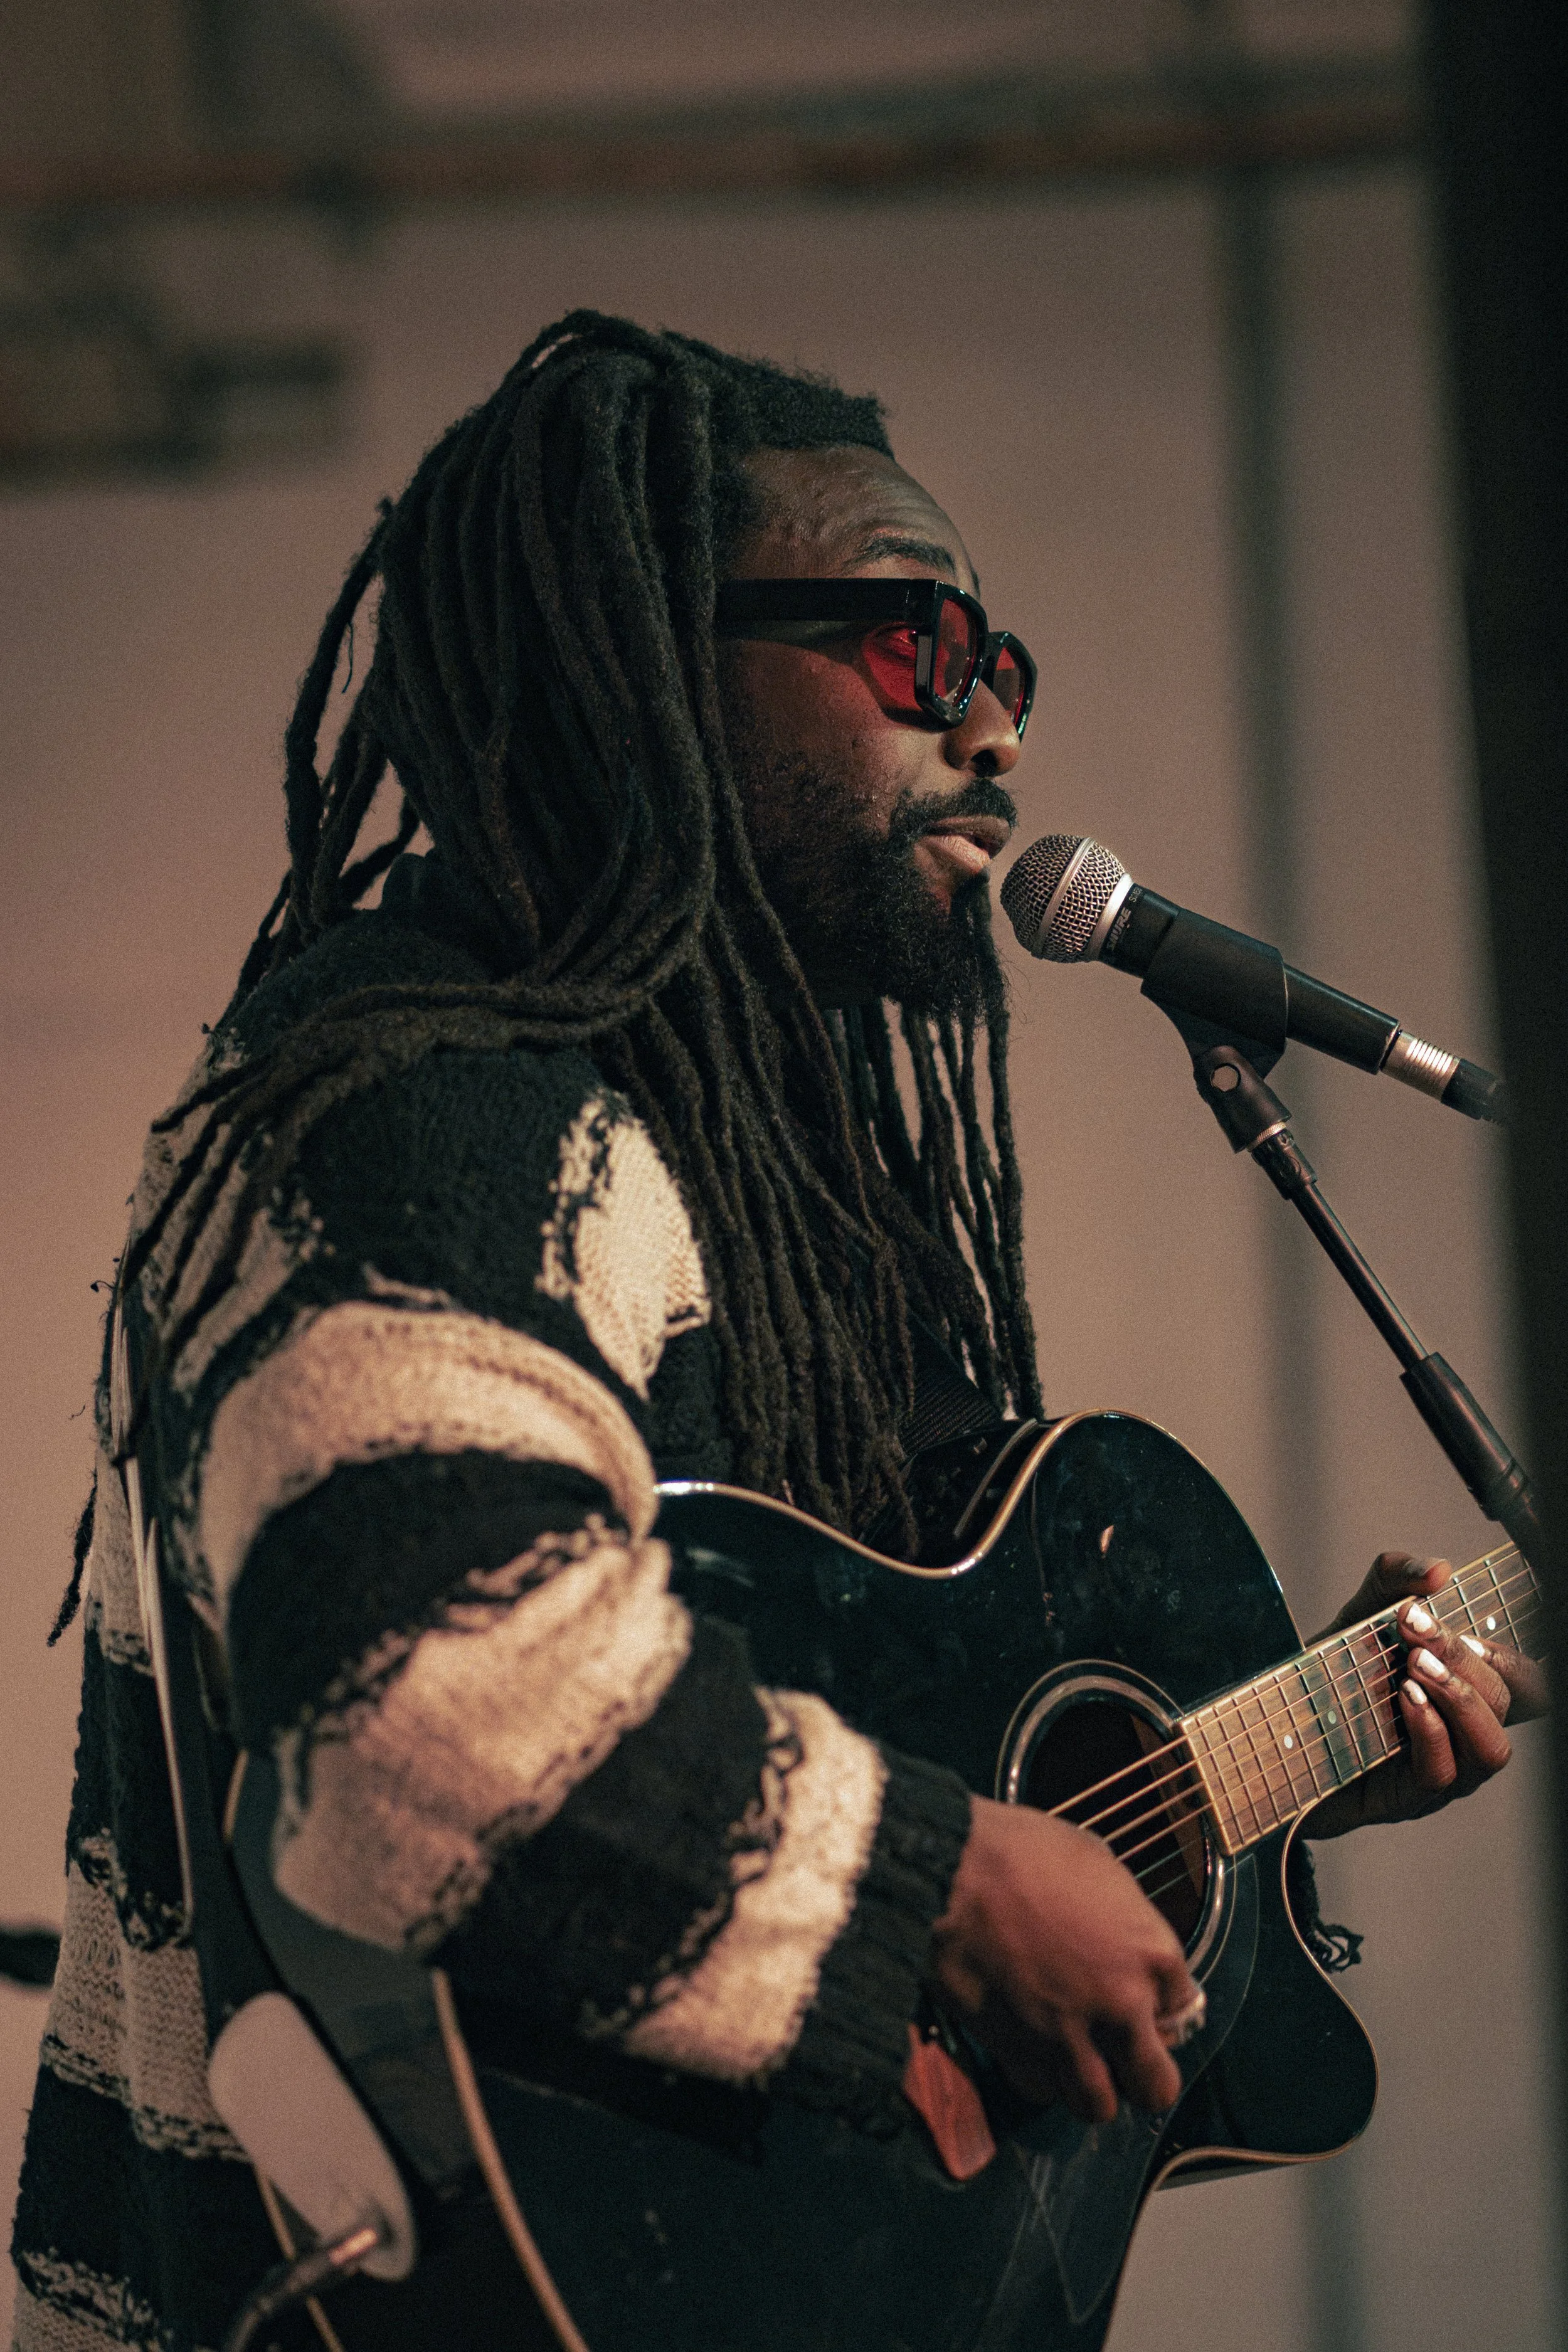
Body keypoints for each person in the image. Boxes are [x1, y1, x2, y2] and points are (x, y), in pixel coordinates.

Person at [10, 312, 1544, 2352]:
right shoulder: (427, 1109)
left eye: (1002, 666)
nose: (990, 729)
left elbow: (881, 1702)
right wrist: (944, 1891)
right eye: (915, 644)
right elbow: (421, 1712)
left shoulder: (740, 1166)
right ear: (641, 652)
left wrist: (1277, 1766)